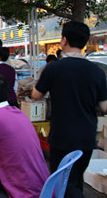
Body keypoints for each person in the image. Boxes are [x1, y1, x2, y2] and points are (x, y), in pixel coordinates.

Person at [32, 20, 107, 197]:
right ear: (85, 42)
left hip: (62, 136)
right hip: (87, 136)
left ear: (64, 40)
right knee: (75, 178)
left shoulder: (53, 69)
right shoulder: (96, 71)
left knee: (63, 182)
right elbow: (104, 106)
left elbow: (36, 95)